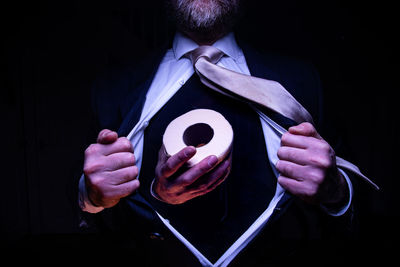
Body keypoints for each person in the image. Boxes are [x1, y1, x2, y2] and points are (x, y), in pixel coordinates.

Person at [77, 0, 360, 266]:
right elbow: (77, 204)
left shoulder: (302, 80)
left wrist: (335, 190)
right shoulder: (112, 88)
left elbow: (356, 192)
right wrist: (92, 196)